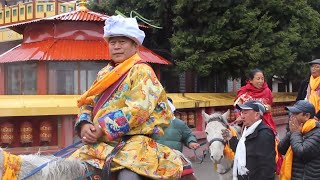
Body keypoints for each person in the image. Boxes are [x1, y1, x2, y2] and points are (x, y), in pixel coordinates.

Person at [69, 15, 182, 179]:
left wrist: (102, 127)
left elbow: (138, 110)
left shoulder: (142, 71)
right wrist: (85, 124)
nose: (116, 47)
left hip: (132, 143)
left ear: (135, 45)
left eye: (122, 42)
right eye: (112, 43)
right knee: (66, 169)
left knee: (128, 176)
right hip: (100, 143)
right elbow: (88, 102)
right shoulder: (104, 73)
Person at [222, 100, 276, 180]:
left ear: (257, 115)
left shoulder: (264, 134)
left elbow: (267, 167)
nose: (242, 116)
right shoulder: (247, 131)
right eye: (241, 113)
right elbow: (244, 151)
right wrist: (230, 139)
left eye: (245, 113)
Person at [278, 100, 320, 180]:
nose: (292, 117)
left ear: (307, 116)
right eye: (291, 114)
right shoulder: (297, 129)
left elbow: (302, 153)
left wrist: (295, 133)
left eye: (296, 114)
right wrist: (292, 132)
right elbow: (281, 149)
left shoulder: (317, 132)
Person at [234, 68, 276, 134]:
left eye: (262, 79)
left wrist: (265, 108)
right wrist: (238, 116)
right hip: (246, 123)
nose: (261, 81)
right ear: (251, 80)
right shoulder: (243, 91)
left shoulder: (267, 91)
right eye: (258, 78)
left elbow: (269, 107)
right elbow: (236, 108)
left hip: (264, 123)